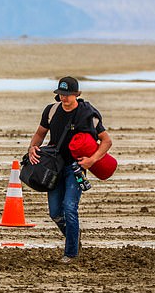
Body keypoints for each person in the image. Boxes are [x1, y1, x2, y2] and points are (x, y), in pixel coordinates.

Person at [27, 77, 112, 264]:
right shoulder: (51, 111)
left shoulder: (88, 114)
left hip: (76, 168)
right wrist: (32, 148)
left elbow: (106, 141)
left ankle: (71, 253)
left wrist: (92, 160)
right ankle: (73, 236)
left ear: (76, 94)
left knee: (70, 208)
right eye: (61, 94)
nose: (63, 98)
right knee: (55, 212)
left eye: (67, 95)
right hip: (54, 168)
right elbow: (40, 134)